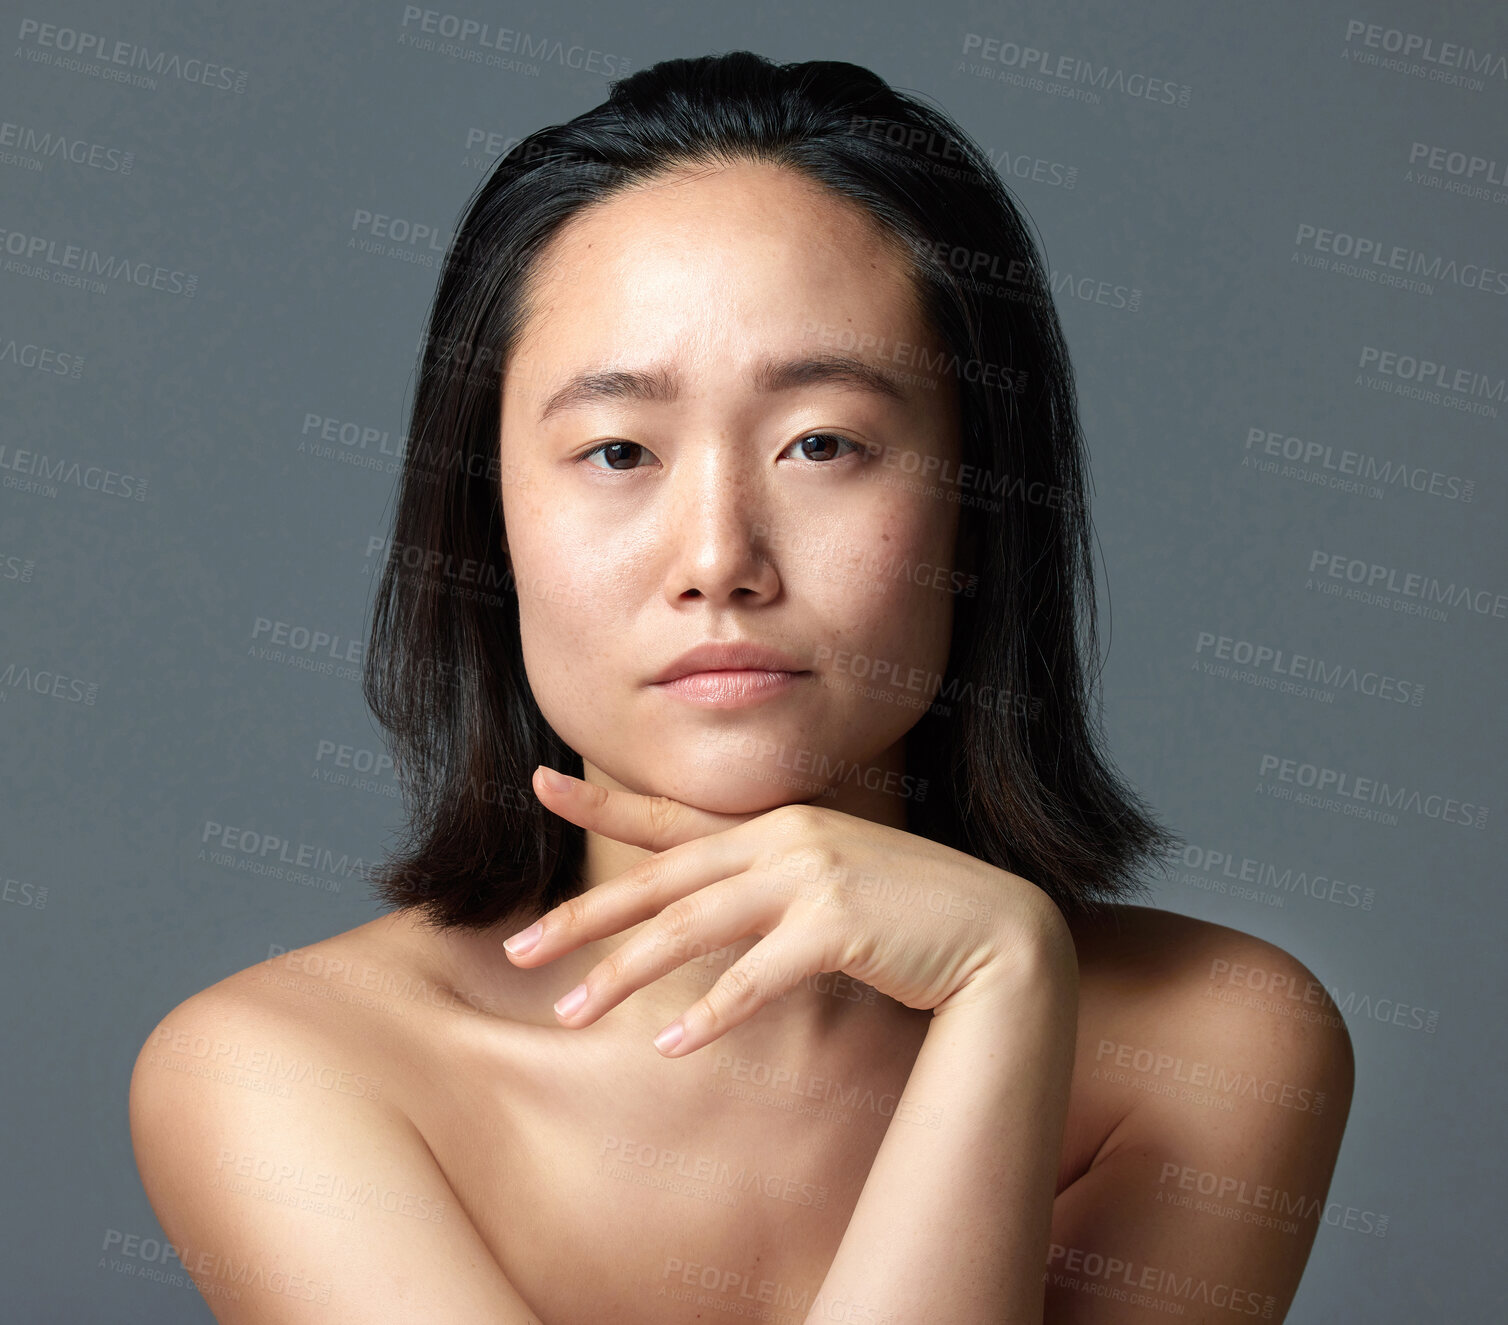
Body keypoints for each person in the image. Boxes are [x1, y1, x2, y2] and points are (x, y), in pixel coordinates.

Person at [129, 52, 1353, 1324]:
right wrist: (997, 982)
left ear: (981, 509)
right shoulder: (286, 1072)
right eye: (616, 450)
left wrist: (1005, 986)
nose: (717, 558)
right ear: (486, 521)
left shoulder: (1217, 1049)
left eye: (820, 444)